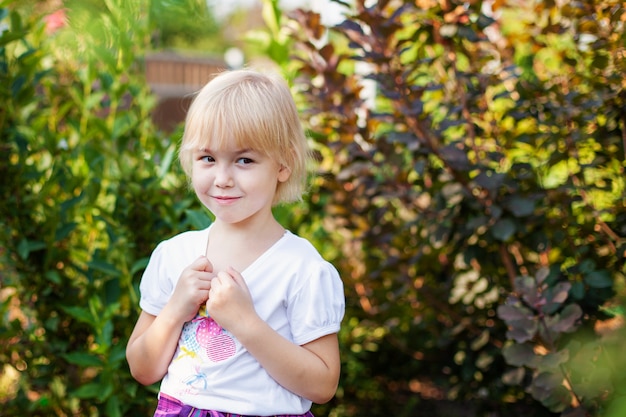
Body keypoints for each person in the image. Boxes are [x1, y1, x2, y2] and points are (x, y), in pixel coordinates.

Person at [126, 68, 345, 417]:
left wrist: (245, 323)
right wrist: (174, 310)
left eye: (244, 160)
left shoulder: (302, 268)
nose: (223, 179)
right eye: (208, 158)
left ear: (283, 164)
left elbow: (322, 386)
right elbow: (142, 368)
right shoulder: (174, 256)